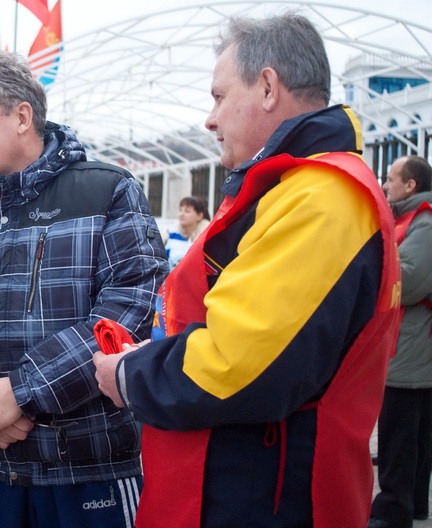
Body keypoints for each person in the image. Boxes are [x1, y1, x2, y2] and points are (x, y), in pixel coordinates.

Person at [94, 13, 401, 528]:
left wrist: (130, 374)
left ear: (266, 87)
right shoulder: (295, 189)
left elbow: (239, 364)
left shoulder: (323, 198)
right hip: (250, 485)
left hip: (266, 497)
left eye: (217, 97)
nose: (209, 120)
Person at [0, 51, 168, 527]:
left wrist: (21, 393)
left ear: (22, 116)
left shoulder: (108, 191)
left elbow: (128, 308)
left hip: (93, 471)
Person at [369, 155, 432, 528]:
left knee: (400, 437)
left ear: (410, 185)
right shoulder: (413, 221)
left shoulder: (423, 225)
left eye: (391, 179)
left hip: (409, 351)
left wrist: (376, 263)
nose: (386, 184)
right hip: (412, 347)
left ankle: (394, 511)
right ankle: (414, 507)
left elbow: (407, 282)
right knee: (416, 438)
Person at [165, 196, 210, 268]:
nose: (182, 214)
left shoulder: (207, 237)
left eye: (187, 211)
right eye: (180, 210)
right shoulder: (171, 233)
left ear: (199, 216)